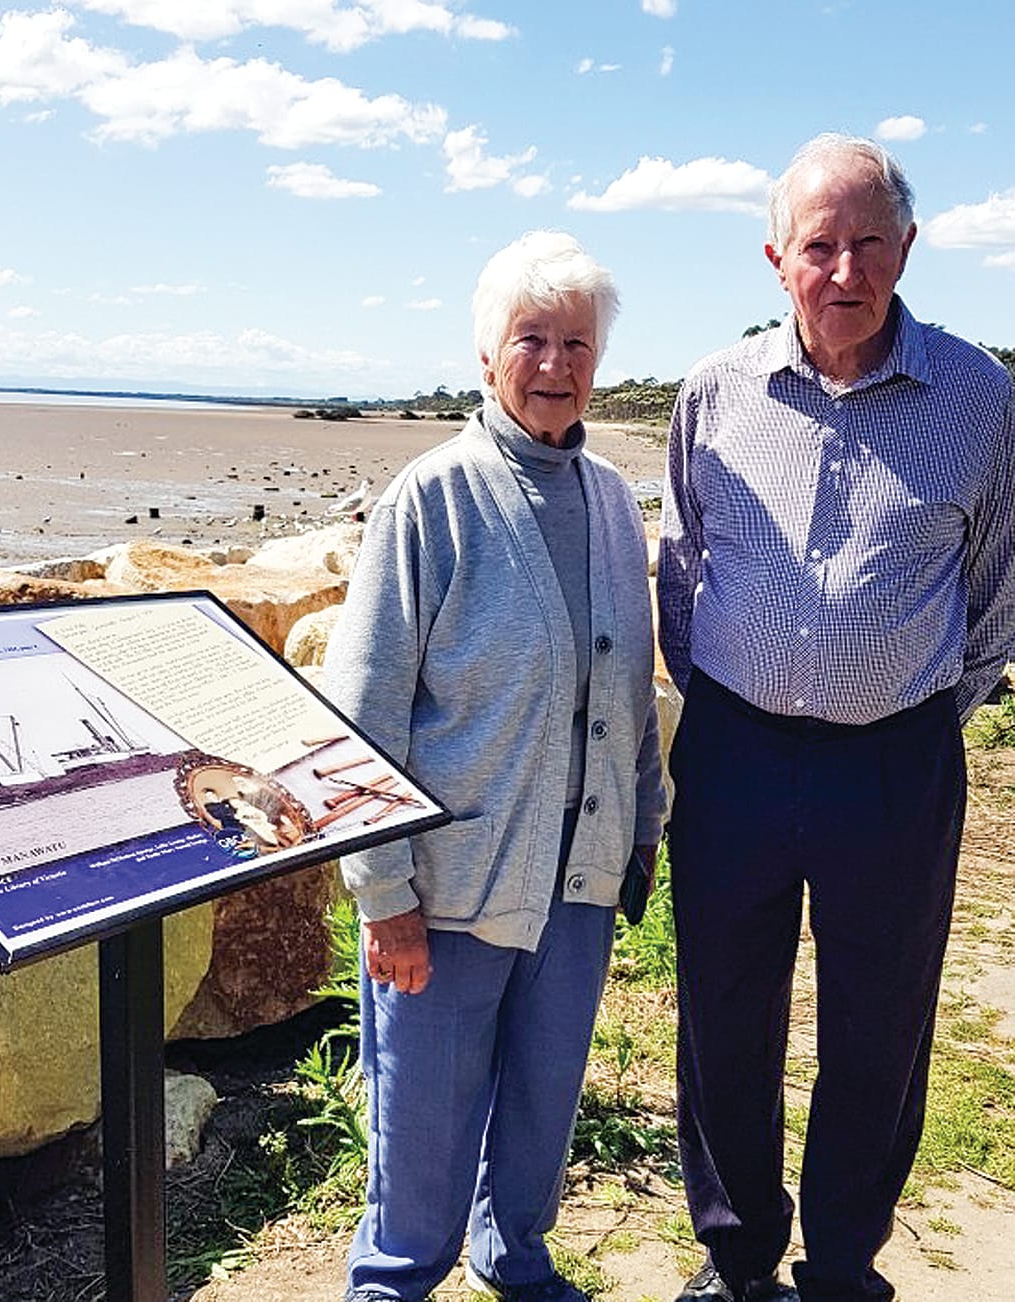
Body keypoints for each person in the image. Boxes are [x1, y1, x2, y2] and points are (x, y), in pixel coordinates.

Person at [657, 132, 1015, 1302]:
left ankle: (846, 1260)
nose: (846, 270)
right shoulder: (715, 393)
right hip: (735, 757)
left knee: (881, 1021)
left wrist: (913, 709)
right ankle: (737, 1255)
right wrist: (727, 691)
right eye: (821, 246)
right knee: (722, 1012)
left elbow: (1000, 587)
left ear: (907, 246)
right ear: (777, 259)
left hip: (894, 767)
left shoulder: (982, 399)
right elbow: (684, 563)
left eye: (870, 243)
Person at [325, 230, 666, 1302]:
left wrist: (642, 832)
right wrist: (384, 897)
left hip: (576, 880)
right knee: (420, 1133)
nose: (556, 363)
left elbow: (627, 689)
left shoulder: (612, 500)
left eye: (576, 341)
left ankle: (515, 1257)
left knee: (539, 1108)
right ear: (487, 355)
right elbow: (361, 714)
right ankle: (393, 1283)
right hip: (450, 888)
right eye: (532, 338)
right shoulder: (430, 500)